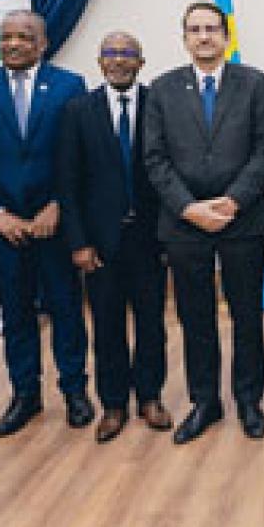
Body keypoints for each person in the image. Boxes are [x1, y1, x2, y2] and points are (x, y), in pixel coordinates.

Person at [142, 1, 264, 444]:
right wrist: (189, 208)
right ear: (184, 37)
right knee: (195, 317)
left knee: (246, 317)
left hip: (243, 220)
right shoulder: (161, 90)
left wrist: (234, 202)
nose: (204, 36)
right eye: (195, 29)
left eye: (212, 29)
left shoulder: (255, 83)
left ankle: (249, 400)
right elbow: (155, 158)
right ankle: (205, 402)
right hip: (184, 225)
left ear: (226, 36)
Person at [0, 9, 91, 436]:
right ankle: (25, 395)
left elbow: (79, 155)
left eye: (24, 37)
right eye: (7, 37)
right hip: (4, 226)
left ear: (43, 43)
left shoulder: (70, 86)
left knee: (67, 309)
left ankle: (75, 391)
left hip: (55, 223)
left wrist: (58, 205)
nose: (13, 44)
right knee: (15, 313)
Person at [55, 31, 170, 443]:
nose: (118, 60)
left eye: (127, 54)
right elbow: (67, 185)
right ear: (100, 61)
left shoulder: (161, 103)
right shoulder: (78, 110)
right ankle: (114, 404)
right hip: (99, 243)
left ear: (141, 62)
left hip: (151, 238)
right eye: (110, 53)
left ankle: (151, 397)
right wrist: (78, 242)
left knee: (152, 322)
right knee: (106, 325)